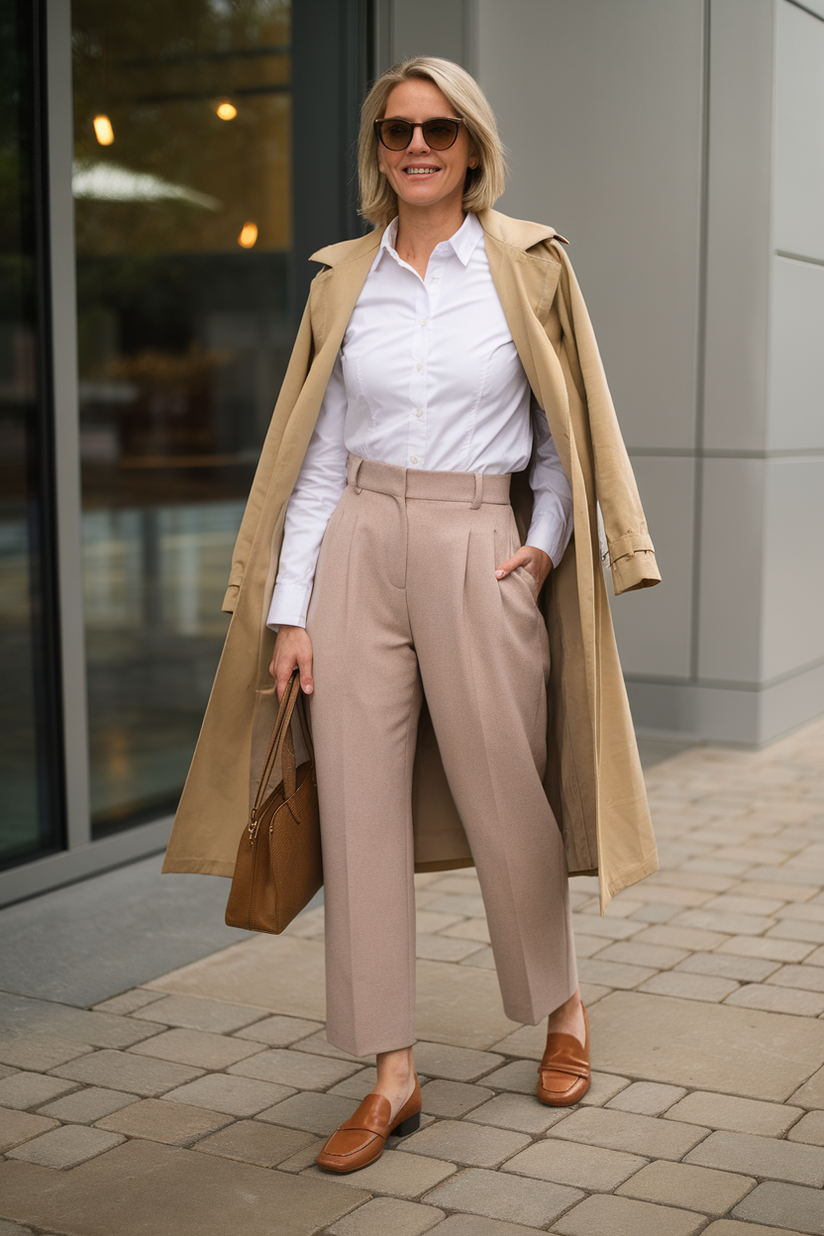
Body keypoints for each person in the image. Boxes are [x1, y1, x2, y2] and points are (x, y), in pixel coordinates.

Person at [162, 56, 661, 1176]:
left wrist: (536, 552)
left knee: (506, 797)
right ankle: (391, 1073)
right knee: (358, 814)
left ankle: (560, 1005)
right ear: (376, 150)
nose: (418, 148)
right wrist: (291, 617)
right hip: (356, 548)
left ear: (472, 145)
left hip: (479, 547)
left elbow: (557, 438)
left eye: (438, 129)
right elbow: (320, 455)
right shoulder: (343, 279)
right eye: (397, 132)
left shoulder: (526, 266)